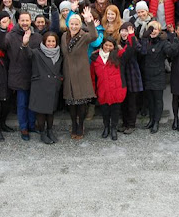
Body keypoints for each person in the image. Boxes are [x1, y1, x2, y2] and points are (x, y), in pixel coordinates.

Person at [0, 12, 42, 139]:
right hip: (19, 75)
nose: (25, 23)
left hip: (33, 74)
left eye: (27, 20)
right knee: (22, 104)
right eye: (22, 20)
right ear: (18, 22)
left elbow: (37, 55)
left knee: (33, 103)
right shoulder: (10, 36)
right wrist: (2, 29)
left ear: (30, 21)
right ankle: (24, 128)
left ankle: (32, 125)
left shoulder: (36, 36)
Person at [91, 32, 136, 140]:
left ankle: (113, 129)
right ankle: (106, 127)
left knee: (115, 111)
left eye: (110, 45)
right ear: (102, 45)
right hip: (103, 89)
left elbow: (131, 49)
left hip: (117, 89)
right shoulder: (95, 57)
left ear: (114, 47)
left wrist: (131, 35)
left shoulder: (119, 55)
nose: (108, 47)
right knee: (105, 111)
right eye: (106, 45)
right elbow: (92, 76)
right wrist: (93, 91)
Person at [61, 8, 98, 139]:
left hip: (81, 72)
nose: (74, 26)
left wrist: (89, 21)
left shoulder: (84, 36)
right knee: (71, 102)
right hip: (68, 73)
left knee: (81, 102)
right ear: (68, 24)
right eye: (72, 23)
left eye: (77, 24)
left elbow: (94, 36)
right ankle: (74, 124)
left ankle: (81, 125)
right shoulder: (64, 36)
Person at [22, 30, 62, 145]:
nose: (51, 44)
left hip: (53, 86)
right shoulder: (37, 52)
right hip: (40, 86)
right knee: (41, 112)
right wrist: (25, 44)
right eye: (48, 41)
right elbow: (27, 54)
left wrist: (59, 79)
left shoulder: (59, 53)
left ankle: (50, 130)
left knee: (51, 111)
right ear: (44, 42)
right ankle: (42, 133)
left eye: (53, 41)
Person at [139, 21, 176, 133]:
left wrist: (172, 36)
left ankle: (156, 122)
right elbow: (142, 53)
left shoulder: (163, 42)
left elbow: (170, 52)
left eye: (155, 29)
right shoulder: (146, 41)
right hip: (147, 74)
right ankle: (151, 120)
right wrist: (144, 39)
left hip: (158, 74)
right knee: (150, 100)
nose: (153, 31)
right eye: (151, 28)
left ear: (159, 31)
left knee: (158, 100)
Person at [117, 22, 143, 134]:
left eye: (126, 30)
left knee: (132, 102)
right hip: (122, 74)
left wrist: (132, 36)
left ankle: (131, 124)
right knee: (124, 102)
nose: (124, 33)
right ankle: (125, 123)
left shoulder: (133, 41)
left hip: (132, 73)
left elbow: (138, 49)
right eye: (122, 30)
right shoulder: (118, 43)